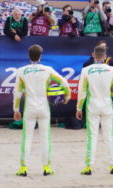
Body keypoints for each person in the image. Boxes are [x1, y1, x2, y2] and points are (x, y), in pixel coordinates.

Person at [12, 44, 70, 176]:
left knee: (27, 138)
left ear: (29, 56)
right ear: (40, 56)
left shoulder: (21, 71)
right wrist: (67, 96)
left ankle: (23, 168)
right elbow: (64, 83)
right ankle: (46, 168)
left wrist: (16, 110)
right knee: (45, 138)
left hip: (30, 108)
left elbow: (17, 92)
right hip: (44, 107)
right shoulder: (47, 69)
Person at [76, 46, 113, 175]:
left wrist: (79, 108)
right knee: (108, 136)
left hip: (92, 107)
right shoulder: (111, 70)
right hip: (107, 106)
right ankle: (112, 166)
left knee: (92, 136)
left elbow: (82, 92)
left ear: (93, 55)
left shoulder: (86, 70)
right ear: (105, 56)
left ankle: (88, 167)